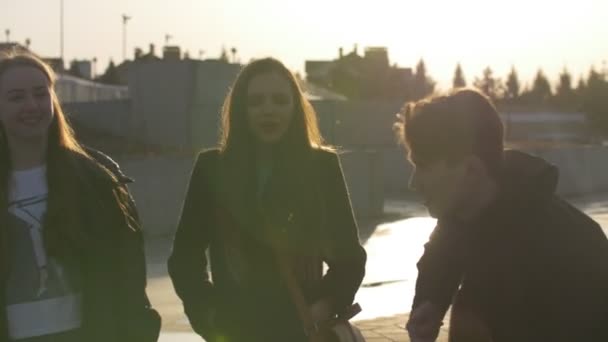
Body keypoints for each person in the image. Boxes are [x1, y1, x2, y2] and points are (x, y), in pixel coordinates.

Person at [168, 57, 367, 341]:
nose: (268, 110)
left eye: (279, 100)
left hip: (301, 328)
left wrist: (324, 306)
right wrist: (208, 315)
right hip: (237, 329)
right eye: (256, 101)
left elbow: (349, 257)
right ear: (242, 109)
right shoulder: (212, 168)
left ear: (295, 107)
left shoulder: (321, 167)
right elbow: (185, 257)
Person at [395, 88, 608, 342]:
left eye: (423, 166)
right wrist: (430, 300)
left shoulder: (556, 251)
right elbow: (441, 254)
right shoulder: (466, 211)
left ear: (472, 170)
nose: (413, 183)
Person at [0, 52, 160, 342]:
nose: (31, 105)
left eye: (40, 94)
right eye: (16, 97)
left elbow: (128, 277)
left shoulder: (96, 179)